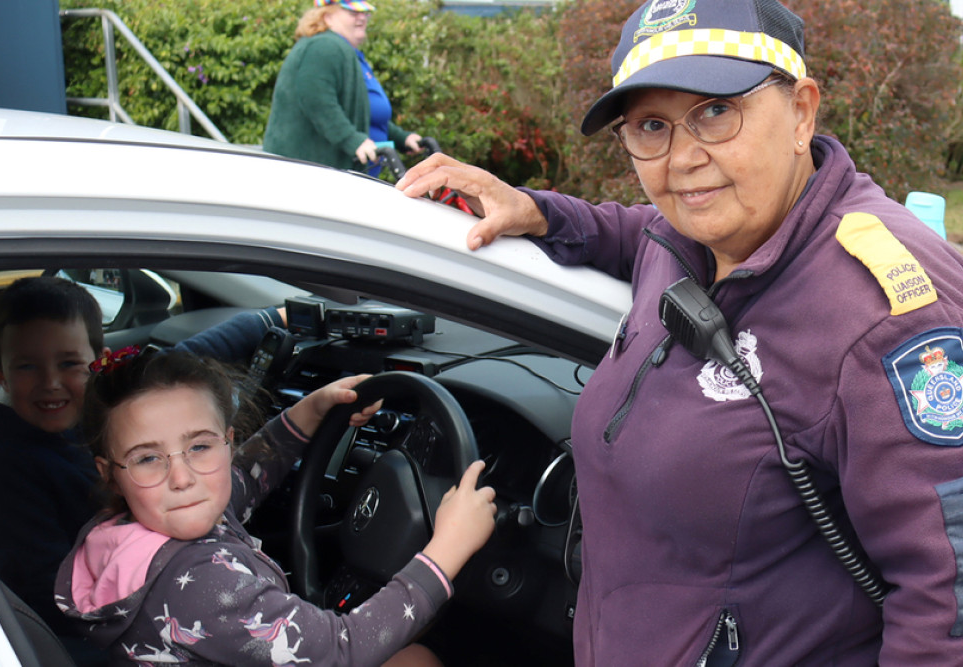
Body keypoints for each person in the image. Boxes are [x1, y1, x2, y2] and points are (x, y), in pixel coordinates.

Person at [396, 0, 963, 663]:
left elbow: (946, 598)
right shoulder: (700, 228)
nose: (684, 159)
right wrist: (540, 212)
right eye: (652, 126)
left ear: (802, 111)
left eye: (716, 112)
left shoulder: (887, 313)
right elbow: (641, 229)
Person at [53, 348, 497, 666]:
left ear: (227, 443)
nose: (183, 477)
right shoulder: (200, 588)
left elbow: (249, 473)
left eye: (200, 446)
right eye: (148, 458)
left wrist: (315, 408)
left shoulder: (136, 530)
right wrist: (448, 548)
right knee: (416, 659)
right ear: (109, 472)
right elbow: (342, 651)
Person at [0, 275, 286, 643]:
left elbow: (179, 363)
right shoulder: (0, 468)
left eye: (69, 363)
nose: (50, 382)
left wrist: (272, 319)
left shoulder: (103, 415)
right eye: (27, 367)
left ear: (98, 363)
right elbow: (49, 599)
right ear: (0, 373)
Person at [262, 0, 422, 176]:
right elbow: (317, 102)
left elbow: (361, 110)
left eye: (364, 13)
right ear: (327, 17)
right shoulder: (323, 47)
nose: (362, 18)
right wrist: (353, 140)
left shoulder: (344, 50)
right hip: (310, 174)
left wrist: (401, 138)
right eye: (353, 13)